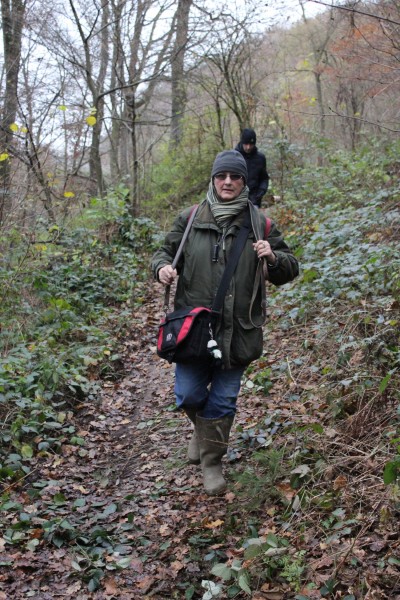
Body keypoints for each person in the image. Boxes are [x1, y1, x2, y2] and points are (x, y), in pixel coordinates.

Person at [151, 150, 298, 496]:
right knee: (187, 394)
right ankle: (203, 432)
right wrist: (162, 269)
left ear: (244, 181)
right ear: (213, 179)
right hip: (193, 329)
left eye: (235, 177)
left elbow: (290, 267)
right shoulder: (190, 218)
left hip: (239, 329)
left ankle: (212, 462)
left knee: (223, 400)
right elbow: (163, 253)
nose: (228, 182)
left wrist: (273, 258)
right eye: (222, 176)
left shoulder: (260, 223)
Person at [235, 127, 269, 208]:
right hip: (236, 200)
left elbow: (264, 178)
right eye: (246, 144)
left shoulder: (260, 158)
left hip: (254, 201)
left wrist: (261, 191)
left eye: (251, 144)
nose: (248, 147)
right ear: (242, 142)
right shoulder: (233, 157)